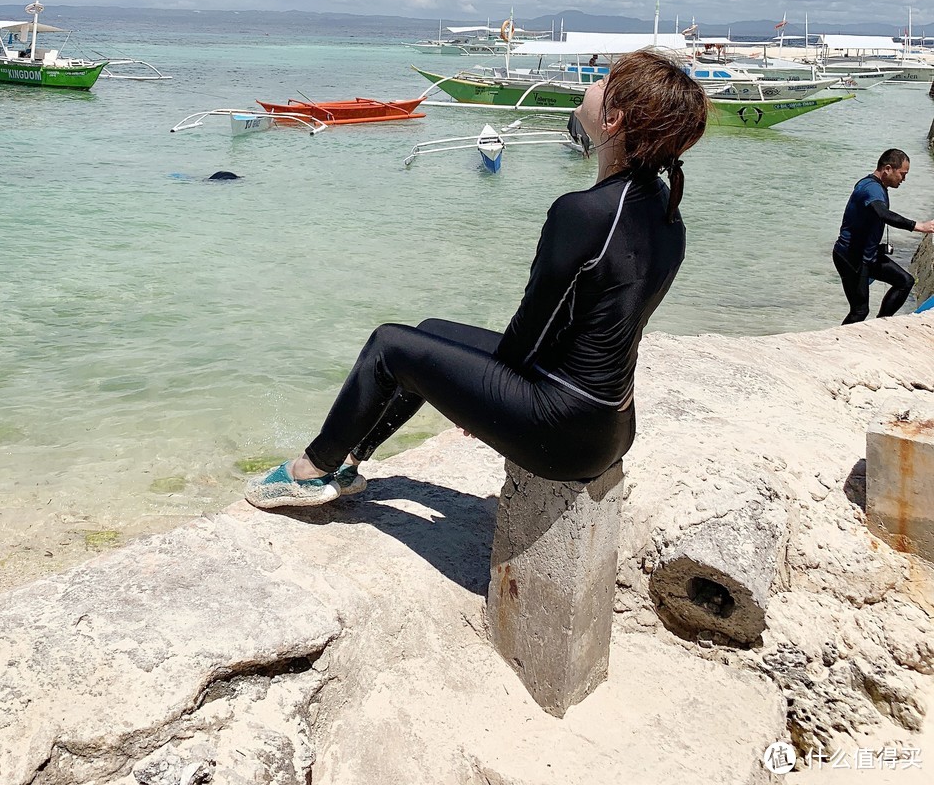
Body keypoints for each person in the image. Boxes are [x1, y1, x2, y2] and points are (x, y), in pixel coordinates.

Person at [245, 48, 709, 510]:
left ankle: (311, 469)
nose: (591, 84)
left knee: (389, 344)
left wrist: (487, 397)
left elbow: (534, 326)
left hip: (561, 431)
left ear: (613, 120)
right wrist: (482, 388)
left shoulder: (583, 212)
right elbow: (576, 328)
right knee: (428, 334)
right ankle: (347, 457)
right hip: (609, 425)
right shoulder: (664, 209)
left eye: (603, 83)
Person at [832, 150, 934, 324]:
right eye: (902, 174)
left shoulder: (877, 187)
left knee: (905, 281)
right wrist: (919, 226)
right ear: (888, 168)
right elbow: (883, 214)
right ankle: (836, 342)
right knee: (860, 310)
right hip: (851, 257)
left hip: (868, 255)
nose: (903, 179)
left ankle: (881, 322)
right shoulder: (871, 188)